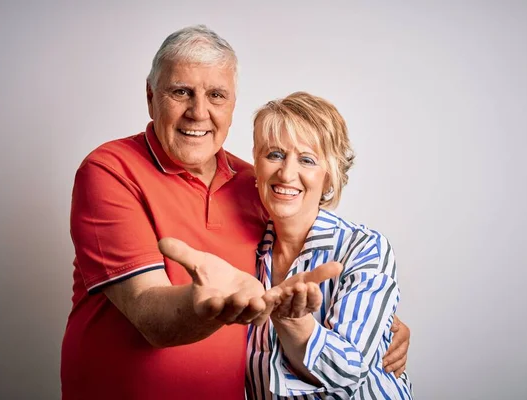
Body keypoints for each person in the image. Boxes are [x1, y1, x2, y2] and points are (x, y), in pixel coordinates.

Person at [61, 25, 410, 399]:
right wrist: (215, 306)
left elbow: (319, 259)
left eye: (216, 95)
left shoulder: (254, 184)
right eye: (181, 92)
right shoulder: (110, 170)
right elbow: (152, 318)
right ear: (151, 97)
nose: (199, 112)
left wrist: (379, 324)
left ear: (231, 105)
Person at [161, 92, 414, 399]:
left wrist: (293, 321)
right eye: (275, 155)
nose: (286, 173)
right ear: (256, 164)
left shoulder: (363, 247)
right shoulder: (246, 249)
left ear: (330, 177)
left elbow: (346, 374)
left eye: (307, 159)